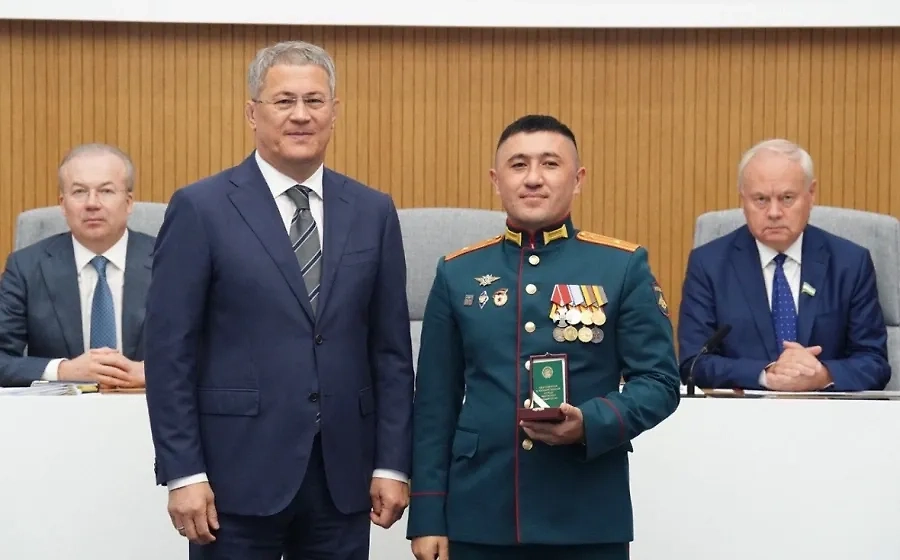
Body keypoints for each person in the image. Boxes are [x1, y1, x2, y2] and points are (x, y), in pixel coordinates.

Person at [143, 40, 414, 559]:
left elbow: (391, 353)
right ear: (253, 113)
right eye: (284, 101)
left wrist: (392, 463)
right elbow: (170, 353)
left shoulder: (373, 211)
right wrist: (183, 472)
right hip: (233, 479)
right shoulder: (201, 208)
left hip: (343, 477)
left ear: (334, 112)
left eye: (314, 101)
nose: (301, 115)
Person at [406, 114, 681, 560]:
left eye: (550, 164)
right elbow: (435, 403)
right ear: (496, 180)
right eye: (518, 165)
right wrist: (428, 514)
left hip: (586, 515)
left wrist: (592, 421)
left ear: (578, 179)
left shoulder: (621, 267)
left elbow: (661, 382)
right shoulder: (458, 273)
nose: (533, 178)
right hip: (480, 514)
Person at [678, 138, 891, 392]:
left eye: (787, 198)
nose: (774, 212)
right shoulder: (709, 265)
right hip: (742, 412)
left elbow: (874, 363)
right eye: (761, 199)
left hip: (828, 411)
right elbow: (693, 363)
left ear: (811, 195)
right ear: (742, 199)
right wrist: (766, 375)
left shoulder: (850, 264)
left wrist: (822, 375)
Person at [0, 143, 152, 388]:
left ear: (128, 202)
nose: (92, 203)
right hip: (61, 409)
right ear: (63, 204)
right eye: (79, 192)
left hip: (148, 406)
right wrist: (63, 370)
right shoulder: (26, 267)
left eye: (106, 191)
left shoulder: (170, 261)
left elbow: (209, 349)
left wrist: (155, 371)